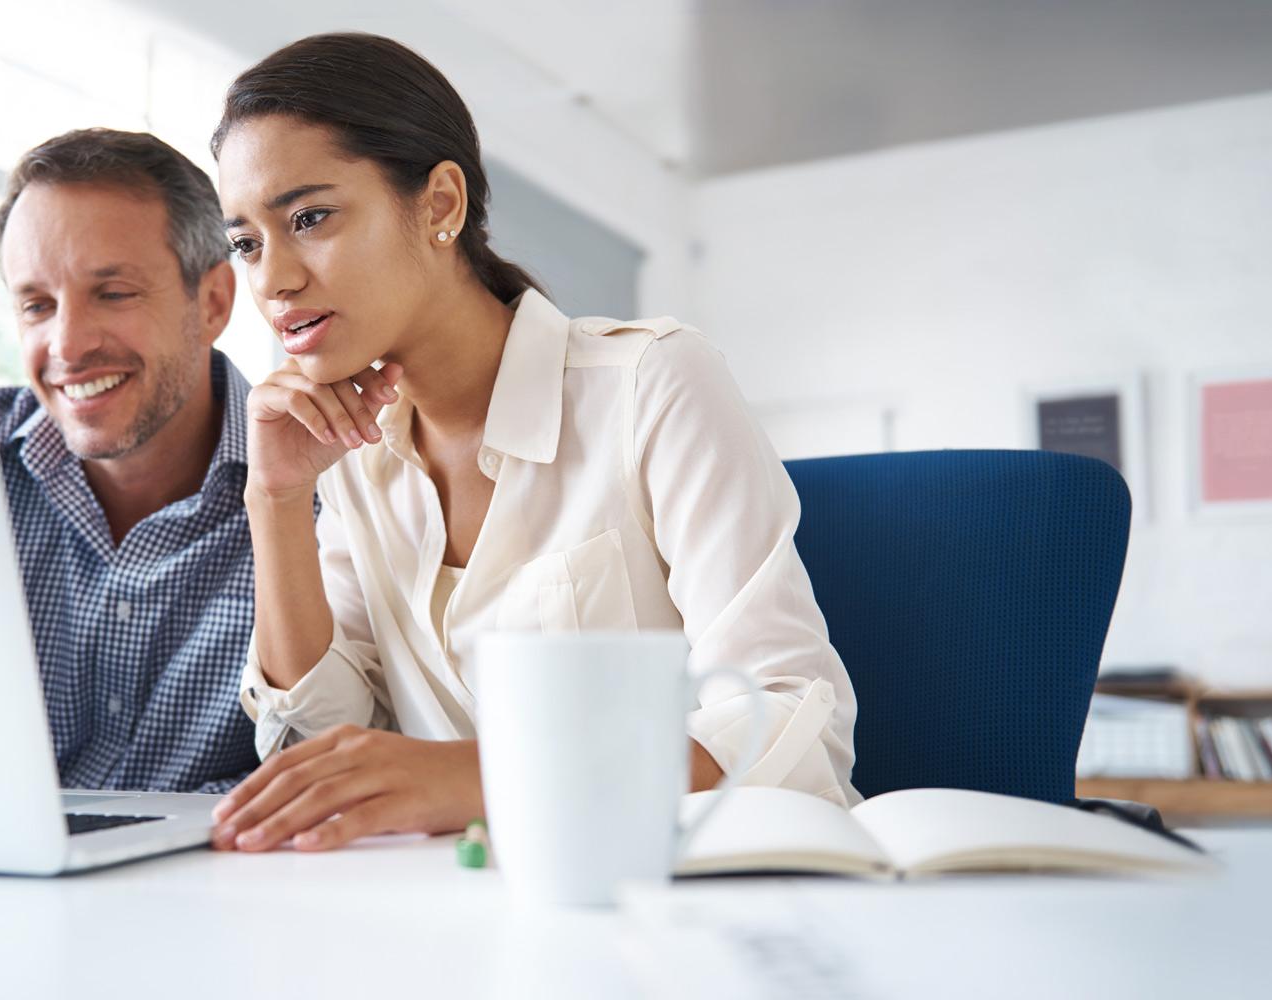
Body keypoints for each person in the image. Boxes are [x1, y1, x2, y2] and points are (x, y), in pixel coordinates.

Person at [209, 33, 856, 852]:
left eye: (310, 217)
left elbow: (791, 729)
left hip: (673, 904)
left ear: (440, 205)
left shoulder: (651, 385)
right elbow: (321, 760)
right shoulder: (357, 458)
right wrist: (274, 499)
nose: (272, 280)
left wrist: (479, 777)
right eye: (246, 242)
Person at [0, 128, 260, 793]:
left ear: (214, 303)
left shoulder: (330, 503)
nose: (69, 344)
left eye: (113, 293)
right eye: (37, 305)